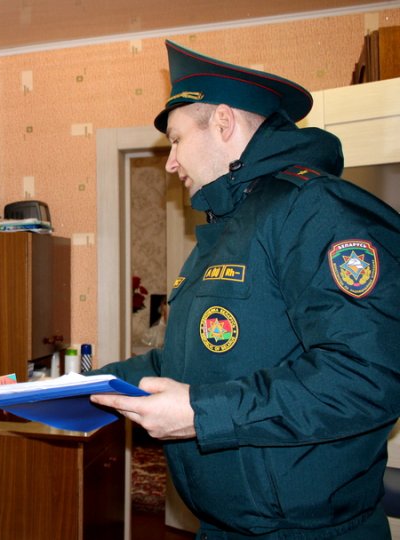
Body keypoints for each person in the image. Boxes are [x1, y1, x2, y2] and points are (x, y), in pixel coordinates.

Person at [91, 40, 400, 539]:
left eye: (175, 140)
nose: (170, 163)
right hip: (224, 526)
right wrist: (81, 388)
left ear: (223, 123)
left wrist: (202, 413)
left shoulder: (313, 210)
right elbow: (182, 361)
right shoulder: (227, 229)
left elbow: (368, 376)